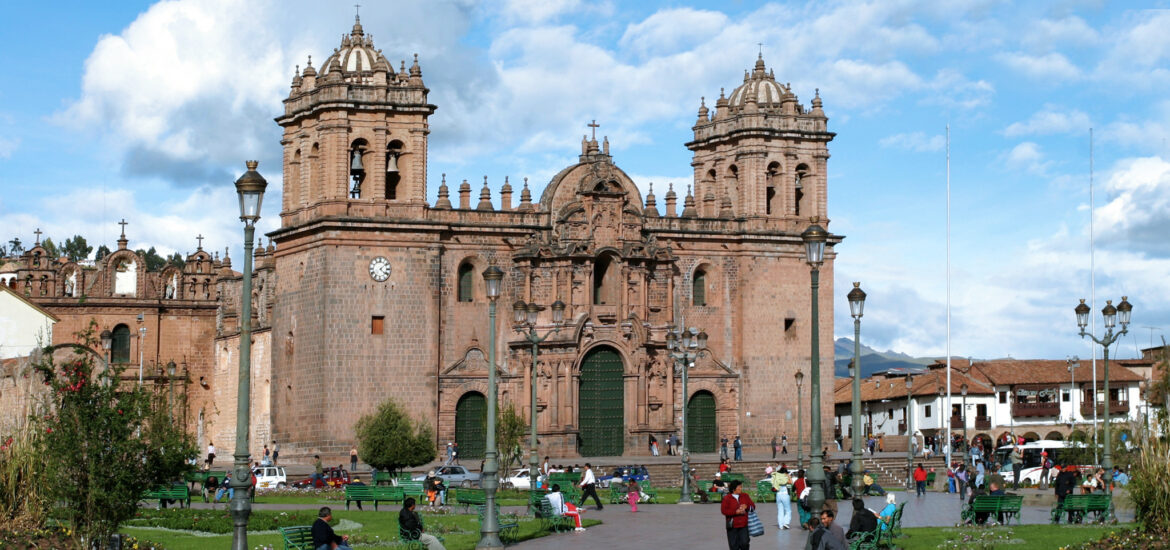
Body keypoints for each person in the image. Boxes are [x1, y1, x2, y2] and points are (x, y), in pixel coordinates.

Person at [720, 480, 755, 550]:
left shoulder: (745, 496)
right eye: (739, 487)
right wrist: (736, 512)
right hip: (732, 525)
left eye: (741, 487)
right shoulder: (727, 498)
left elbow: (753, 507)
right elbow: (724, 511)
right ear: (733, 489)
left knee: (745, 543)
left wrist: (747, 507)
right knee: (733, 546)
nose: (740, 489)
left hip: (743, 524)